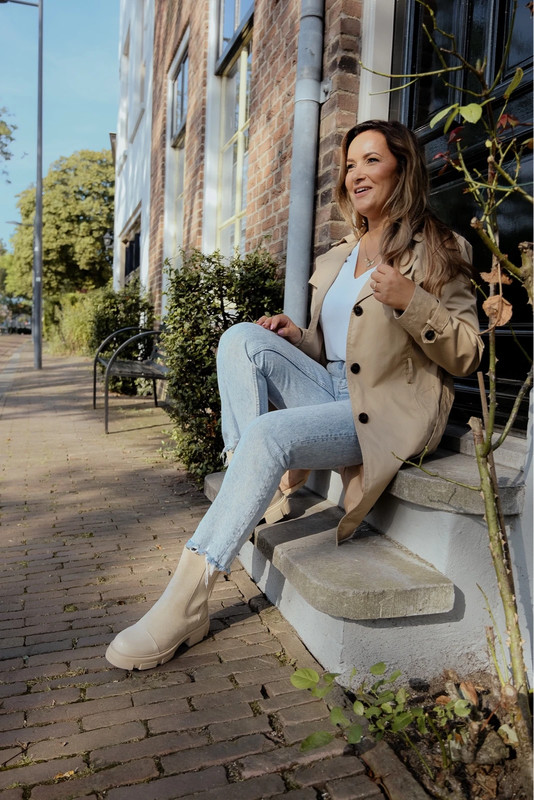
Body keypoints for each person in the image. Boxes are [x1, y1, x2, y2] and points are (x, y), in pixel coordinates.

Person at [105, 120, 483, 671]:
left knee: (268, 433)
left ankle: (187, 601)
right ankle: (251, 483)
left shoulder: (442, 249)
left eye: (371, 161)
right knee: (241, 339)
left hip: (387, 409)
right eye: (349, 165)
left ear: (402, 169)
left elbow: (468, 353)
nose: (356, 175)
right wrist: (298, 337)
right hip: (331, 389)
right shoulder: (343, 253)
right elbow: (338, 348)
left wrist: (411, 301)